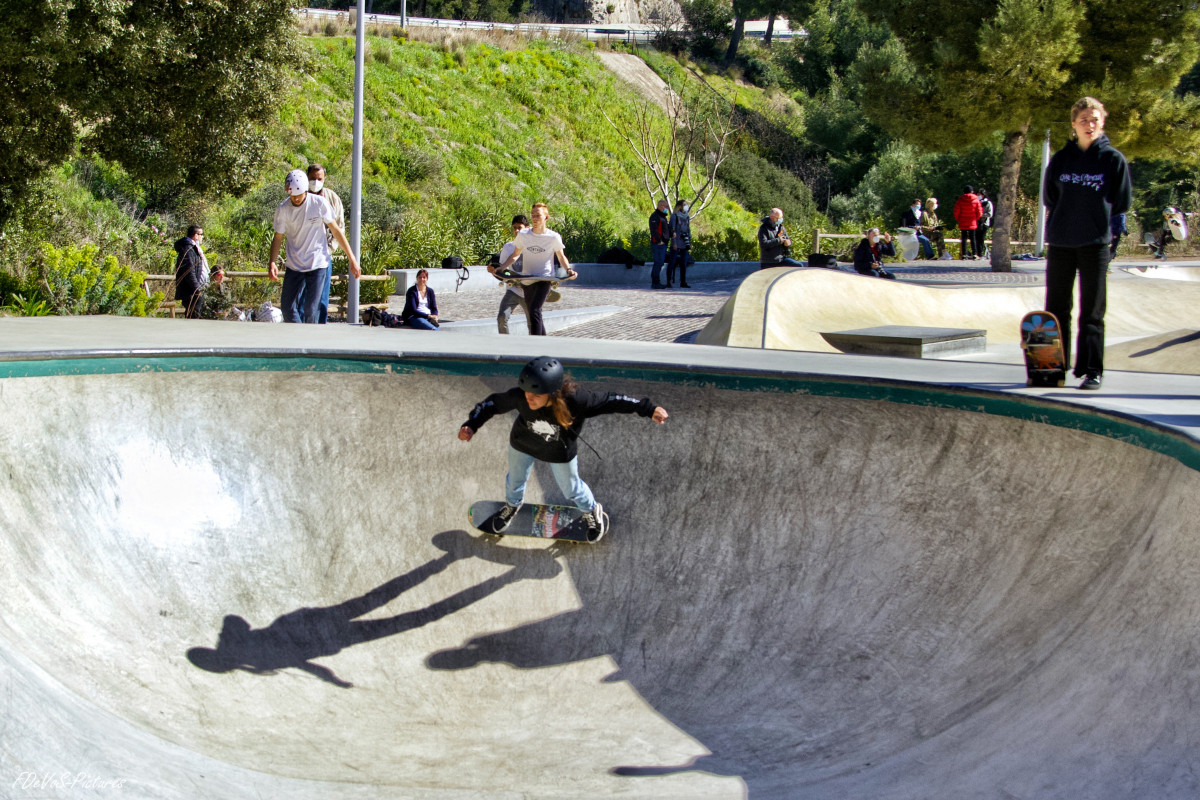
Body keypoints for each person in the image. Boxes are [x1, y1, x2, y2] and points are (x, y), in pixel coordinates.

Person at [457, 356, 669, 541]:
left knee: (572, 489)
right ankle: (512, 505)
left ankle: (592, 511)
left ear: (552, 393)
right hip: (523, 444)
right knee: (515, 479)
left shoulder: (576, 400)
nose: (528, 399)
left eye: (535, 395)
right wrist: (472, 424)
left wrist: (647, 409)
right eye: (526, 393)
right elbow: (492, 403)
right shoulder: (521, 396)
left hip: (558, 451)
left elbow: (611, 400)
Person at [1044, 96, 1132, 391]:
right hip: (1061, 242)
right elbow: (1049, 198)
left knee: (1092, 310)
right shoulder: (1060, 159)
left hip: (1095, 244)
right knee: (1057, 307)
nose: (1089, 125)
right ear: (1073, 124)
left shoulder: (1112, 160)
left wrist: (1097, 220)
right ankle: (1053, 365)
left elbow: (1122, 201)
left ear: (1102, 122)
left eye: (1095, 119)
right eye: (1084, 120)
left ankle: (1091, 370)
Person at [269, 169, 360, 324]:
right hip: (294, 265)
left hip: (317, 263)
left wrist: (352, 259)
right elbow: (278, 237)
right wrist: (272, 261)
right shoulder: (283, 209)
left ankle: (311, 344)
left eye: (299, 196)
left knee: (312, 309)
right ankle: (299, 339)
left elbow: (336, 230)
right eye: (293, 196)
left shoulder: (319, 203)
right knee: (287, 308)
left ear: (305, 191)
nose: (296, 199)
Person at [496, 202, 576, 336]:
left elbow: (561, 257)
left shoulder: (553, 237)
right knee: (535, 314)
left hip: (544, 279)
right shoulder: (524, 235)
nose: (534, 218)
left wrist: (569, 270)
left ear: (546, 217)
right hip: (527, 280)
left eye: (538, 215)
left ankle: (535, 344)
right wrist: (501, 268)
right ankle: (543, 342)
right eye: (532, 215)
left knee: (534, 309)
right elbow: (515, 255)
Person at [293, 164, 345, 324]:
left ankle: (319, 335)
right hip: (300, 257)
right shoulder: (297, 196)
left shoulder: (332, 198)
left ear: (324, 178)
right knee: (299, 300)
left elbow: (339, 228)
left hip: (322, 258)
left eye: (319, 179)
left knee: (321, 300)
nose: (315, 182)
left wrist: (328, 249)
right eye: (312, 178)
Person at [490, 215, 530, 334]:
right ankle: (505, 343)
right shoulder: (508, 247)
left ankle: (536, 345)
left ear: (527, 228)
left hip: (529, 292)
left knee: (532, 322)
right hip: (512, 290)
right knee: (502, 317)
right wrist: (495, 271)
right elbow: (502, 270)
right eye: (515, 228)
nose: (517, 231)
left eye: (520, 228)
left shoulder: (533, 248)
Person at [173, 225, 222, 319]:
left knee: (198, 317)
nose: (202, 237)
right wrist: (197, 288)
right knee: (193, 318)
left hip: (199, 289)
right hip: (193, 292)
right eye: (201, 234)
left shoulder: (195, 248)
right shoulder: (188, 249)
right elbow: (189, 271)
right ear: (196, 236)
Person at [953, 185, 983, 259]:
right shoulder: (976, 200)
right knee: (973, 238)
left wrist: (959, 219)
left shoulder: (960, 200)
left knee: (964, 238)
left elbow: (956, 211)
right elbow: (979, 212)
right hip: (972, 221)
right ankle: (975, 254)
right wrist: (975, 218)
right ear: (972, 191)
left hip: (963, 221)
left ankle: (963, 254)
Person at [668, 199, 692, 288]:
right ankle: (668, 281)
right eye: (684, 204)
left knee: (684, 263)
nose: (686, 206)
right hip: (676, 242)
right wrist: (674, 243)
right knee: (672, 262)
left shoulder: (687, 217)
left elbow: (688, 229)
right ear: (680, 206)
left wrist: (689, 240)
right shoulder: (674, 216)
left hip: (684, 242)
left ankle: (683, 282)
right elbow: (672, 229)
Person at [649, 199, 671, 289]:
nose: (667, 209)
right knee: (658, 263)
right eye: (666, 207)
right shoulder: (655, 216)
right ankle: (655, 282)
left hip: (663, 243)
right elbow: (654, 230)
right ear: (661, 206)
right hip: (658, 244)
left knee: (660, 263)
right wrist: (659, 241)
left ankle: (656, 282)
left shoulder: (663, 216)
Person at [976, 189, 994, 258]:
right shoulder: (977, 202)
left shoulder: (988, 203)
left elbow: (990, 214)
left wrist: (981, 215)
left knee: (981, 239)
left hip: (984, 223)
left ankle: (982, 253)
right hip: (977, 223)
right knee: (976, 239)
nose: (978, 196)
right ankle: (977, 253)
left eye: (980, 195)